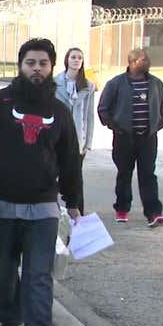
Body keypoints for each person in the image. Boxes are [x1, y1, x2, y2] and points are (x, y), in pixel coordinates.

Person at [0, 38, 82, 326]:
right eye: (30, 63)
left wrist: (75, 203)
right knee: (4, 271)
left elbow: (69, 161)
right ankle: (9, 322)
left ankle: (39, 325)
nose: (36, 69)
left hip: (43, 207)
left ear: (52, 66)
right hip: (2, 204)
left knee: (38, 274)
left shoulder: (60, 111)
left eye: (43, 63)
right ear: (20, 66)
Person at [98, 49, 163, 226]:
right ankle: (121, 210)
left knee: (148, 175)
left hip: (148, 138)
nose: (147, 61)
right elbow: (103, 108)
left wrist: (160, 122)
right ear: (133, 61)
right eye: (144, 59)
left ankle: (154, 213)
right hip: (124, 138)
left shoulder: (155, 83)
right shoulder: (116, 83)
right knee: (124, 174)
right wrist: (115, 127)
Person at [55, 47, 96, 214]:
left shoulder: (88, 86)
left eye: (79, 57)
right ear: (67, 60)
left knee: (75, 180)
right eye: (73, 57)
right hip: (58, 138)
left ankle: (78, 215)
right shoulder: (55, 83)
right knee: (53, 176)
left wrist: (88, 143)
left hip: (78, 140)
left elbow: (89, 115)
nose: (76, 60)